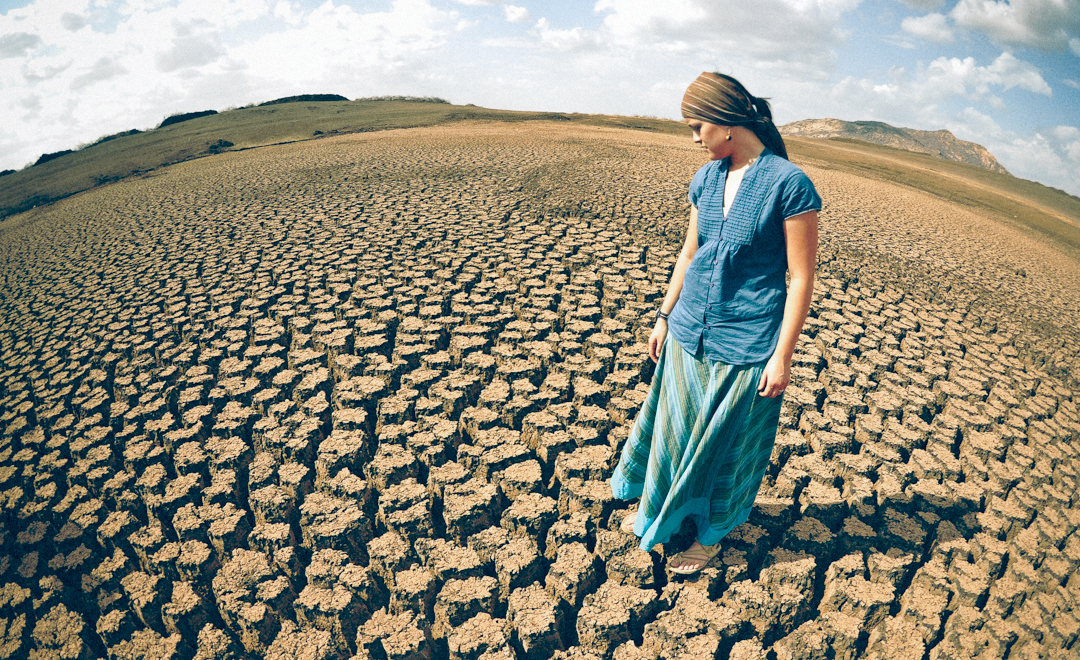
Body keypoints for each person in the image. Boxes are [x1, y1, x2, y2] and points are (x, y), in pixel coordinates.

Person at [610, 72, 820, 574]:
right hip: (688, 329)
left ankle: (710, 534)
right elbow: (690, 253)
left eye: (696, 125)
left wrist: (783, 355)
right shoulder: (706, 178)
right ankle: (660, 509)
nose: (694, 137)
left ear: (727, 124)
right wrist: (663, 316)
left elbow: (800, 278)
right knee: (674, 430)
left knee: (725, 447)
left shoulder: (789, 185)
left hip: (747, 339)